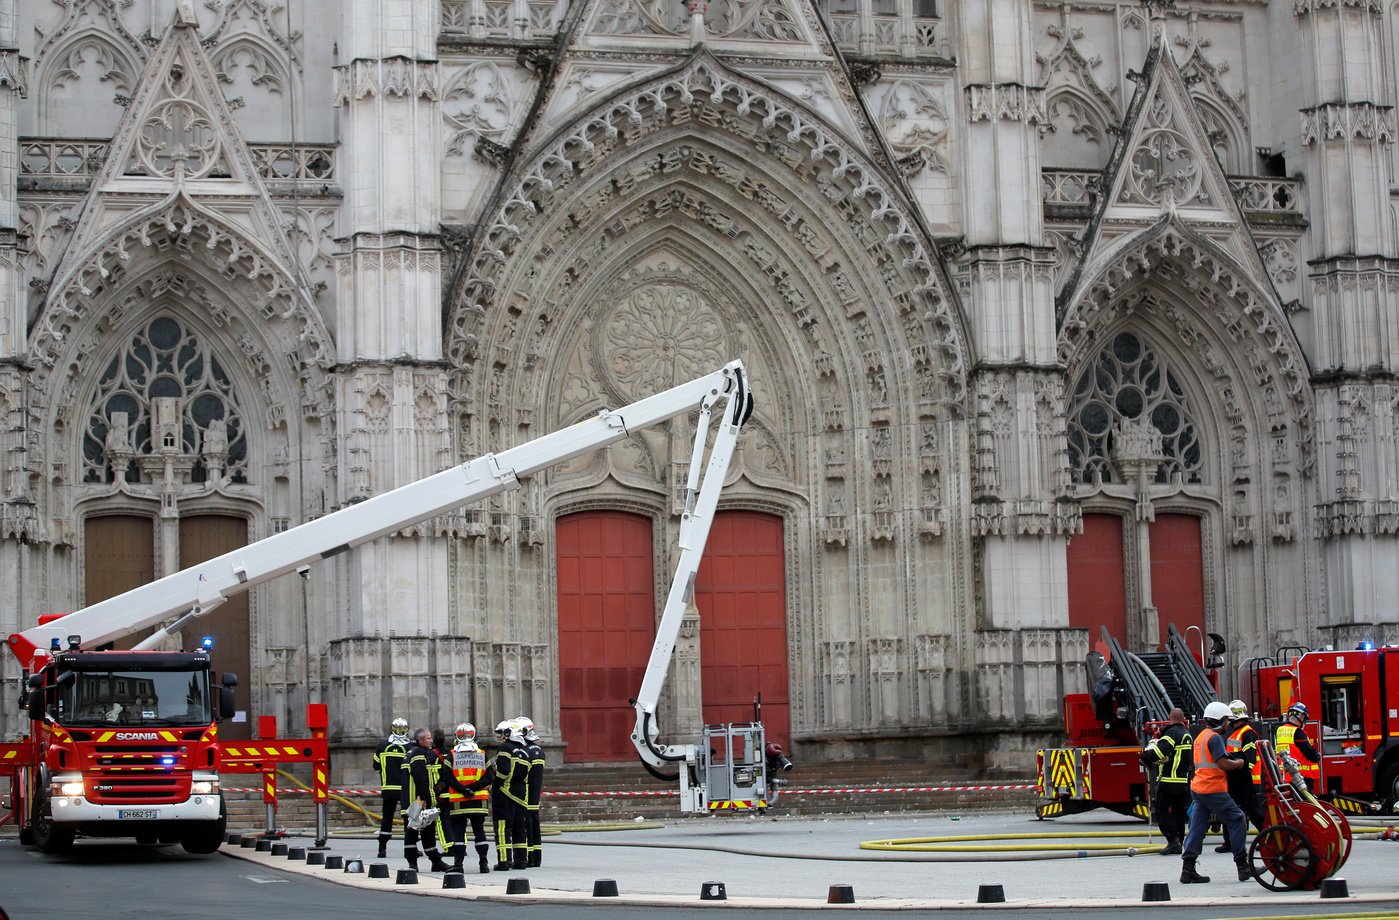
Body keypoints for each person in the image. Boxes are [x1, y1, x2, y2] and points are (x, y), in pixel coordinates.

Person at [1180, 700, 1251, 884]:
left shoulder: (1201, 736)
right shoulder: (1215, 738)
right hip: (1213, 789)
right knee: (1236, 818)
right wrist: (1240, 763)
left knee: (1197, 827)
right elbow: (1223, 763)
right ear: (1220, 719)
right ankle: (1243, 866)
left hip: (1199, 788)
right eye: (1226, 720)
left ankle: (1187, 869)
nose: (1228, 724)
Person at [1139, 707, 1191, 855]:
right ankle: (1179, 840)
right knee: (1178, 813)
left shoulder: (1171, 734)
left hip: (1168, 781)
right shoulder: (1187, 734)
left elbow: (1158, 752)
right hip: (1182, 781)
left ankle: (1172, 841)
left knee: (1162, 811)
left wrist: (1144, 756)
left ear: (1170, 718)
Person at [443, 722, 492, 874]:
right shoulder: (482, 754)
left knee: (459, 832)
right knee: (479, 830)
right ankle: (483, 863)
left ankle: (458, 865)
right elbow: (490, 776)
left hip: (459, 800)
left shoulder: (451, 755)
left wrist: (463, 790)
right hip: (479, 799)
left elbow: (447, 777)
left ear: (457, 736)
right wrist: (474, 788)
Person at [401, 727, 452, 873]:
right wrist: (426, 800)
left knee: (421, 832)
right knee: (417, 832)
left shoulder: (411, 752)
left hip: (411, 802)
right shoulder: (419, 754)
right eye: (428, 738)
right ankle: (416, 863)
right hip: (418, 803)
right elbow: (421, 779)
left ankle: (433, 861)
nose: (431, 741)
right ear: (421, 740)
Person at [1217, 700, 1264, 852]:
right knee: (1229, 810)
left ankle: (1268, 839)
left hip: (1245, 779)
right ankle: (1229, 842)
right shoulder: (1237, 733)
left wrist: (1234, 764)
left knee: (1253, 812)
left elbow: (1249, 758)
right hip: (1235, 777)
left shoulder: (1248, 733)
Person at [371, 717, 409, 859]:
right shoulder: (410, 748)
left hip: (388, 789)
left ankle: (382, 848)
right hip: (405, 790)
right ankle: (409, 848)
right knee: (407, 819)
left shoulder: (382, 746)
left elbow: (376, 766)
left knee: (387, 818)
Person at [517, 716, 546, 867]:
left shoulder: (524, 751)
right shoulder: (539, 751)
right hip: (535, 796)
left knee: (526, 827)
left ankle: (529, 857)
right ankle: (537, 857)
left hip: (525, 794)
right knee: (535, 826)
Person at [1275, 702, 1320, 790]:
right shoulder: (1298, 732)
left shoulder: (1280, 730)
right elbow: (1310, 753)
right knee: (1307, 803)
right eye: (1304, 718)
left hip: (1286, 776)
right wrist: (1317, 756)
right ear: (1301, 717)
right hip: (1301, 778)